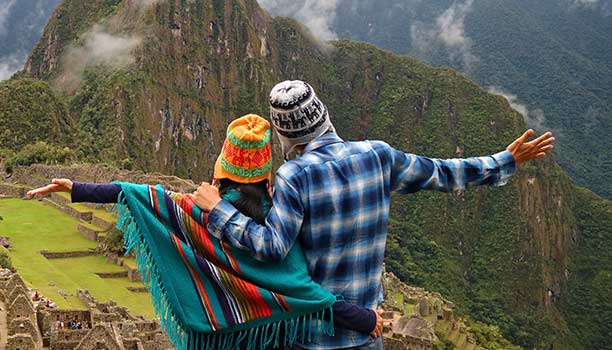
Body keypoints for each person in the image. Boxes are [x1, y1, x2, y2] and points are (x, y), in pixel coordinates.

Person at [185, 80, 555, 349]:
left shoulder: (294, 176)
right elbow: (443, 173)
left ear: (284, 137)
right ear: (326, 118)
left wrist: (218, 210)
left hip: (311, 337)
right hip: (365, 333)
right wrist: (504, 160)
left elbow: (271, 247)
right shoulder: (377, 156)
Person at [29, 115, 380, 349]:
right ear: (266, 175)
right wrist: (366, 319)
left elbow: (137, 193)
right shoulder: (280, 224)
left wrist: (74, 187)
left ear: (221, 170)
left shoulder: (195, 211)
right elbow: (307, 294)